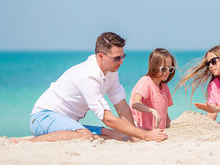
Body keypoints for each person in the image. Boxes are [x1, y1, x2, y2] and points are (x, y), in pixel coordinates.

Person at [29, 32, 167, 142]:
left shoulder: (112, 72)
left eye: (122, 56)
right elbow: (107, 118)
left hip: (67, 122)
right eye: (116, 58)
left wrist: (135, 136)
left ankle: (81, 135)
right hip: (44, 117)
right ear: (101, 56)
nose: (121, 62)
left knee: (118, 135)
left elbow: (122, 106)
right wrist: (145, 135)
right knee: (84, 135)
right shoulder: (88, 76)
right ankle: (30, 142)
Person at [129, 48, 175, 130]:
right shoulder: (146, 82)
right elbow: (135, 103)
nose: (167, 72)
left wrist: (169, 127)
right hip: (141, 129)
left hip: (157, 130)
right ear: (154, 67)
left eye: (170, 69)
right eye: (164, 69)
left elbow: (165, 113)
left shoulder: (164, 87)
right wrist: (152, 111)